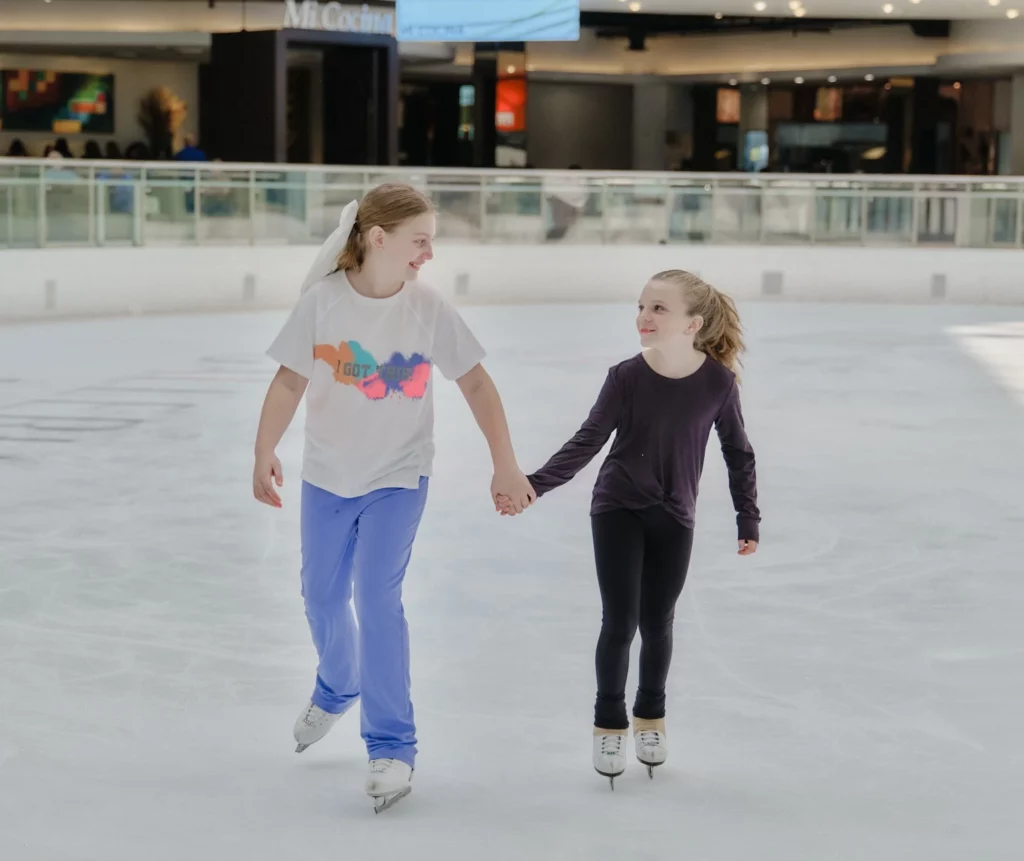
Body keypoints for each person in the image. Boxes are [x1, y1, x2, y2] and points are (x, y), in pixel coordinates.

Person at [252, 183, 535, 812]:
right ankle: (338, 682)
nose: (429, 253)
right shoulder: (322, 303)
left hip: (399, 477)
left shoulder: (427, 308)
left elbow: (479, 384)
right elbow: (289, 379)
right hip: (326, 475)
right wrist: (263, 449)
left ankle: (391, 745)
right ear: (378, 238)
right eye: (420, 240)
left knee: (376, 598)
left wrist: (505, 464)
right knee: (320, 593)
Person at [497, 269, 760, 788]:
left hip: (675, 515)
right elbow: (588, 440)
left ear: (693, 324)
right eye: (641, 306)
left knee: (658, 622)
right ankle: (609, 722)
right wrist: (533, 485)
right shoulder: (625, 377)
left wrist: (746, 517)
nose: (643, 317)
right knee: (619, 623)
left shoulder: (717, 383)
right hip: (617, 507)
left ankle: (651, 719)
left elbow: (738, 453)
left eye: (659, 308)